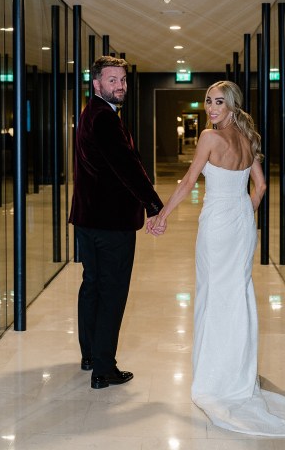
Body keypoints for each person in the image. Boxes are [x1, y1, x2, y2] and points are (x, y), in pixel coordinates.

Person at [148, 81, 285, 437]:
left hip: (217, 224)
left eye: (218, 102)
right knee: (237, 295)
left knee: (214, 294)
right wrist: (245, 212)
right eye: (208, 101)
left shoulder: (210, 138)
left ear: (232, 105)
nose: (211, 108)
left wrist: (161, 215)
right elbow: (260, 186)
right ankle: (238, 373)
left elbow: (188, 182)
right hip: (241, 222)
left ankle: (216, 377)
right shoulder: (248, 140)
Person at [69, 55, 163, 389]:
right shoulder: (105, 118)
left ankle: (90, 355)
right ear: (96, 84)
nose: (120, 85)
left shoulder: (89, 113)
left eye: (122, 80)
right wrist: (153, 204)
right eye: (112, 80)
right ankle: (103, 369)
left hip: (88, 220)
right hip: (111, 224)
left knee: (92, 285)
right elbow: (126, 166)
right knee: (111, 293)